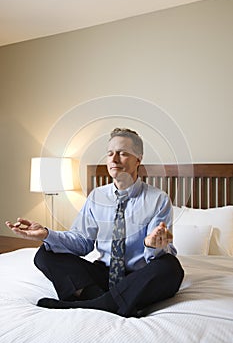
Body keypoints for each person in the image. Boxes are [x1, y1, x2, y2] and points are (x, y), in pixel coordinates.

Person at [5, 128, 184, 318]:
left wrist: (152, 245)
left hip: (138, 276)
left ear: (138, 159)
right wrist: (47, 234)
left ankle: (96, 302)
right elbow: (82, 243)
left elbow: (158, 255)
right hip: (103, 274)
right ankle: (104, 301)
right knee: (45, 253)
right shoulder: (97, 196)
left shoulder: (158, 199)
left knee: (171, 267)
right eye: (110, 154)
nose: (114, 159)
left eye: (122, 153)